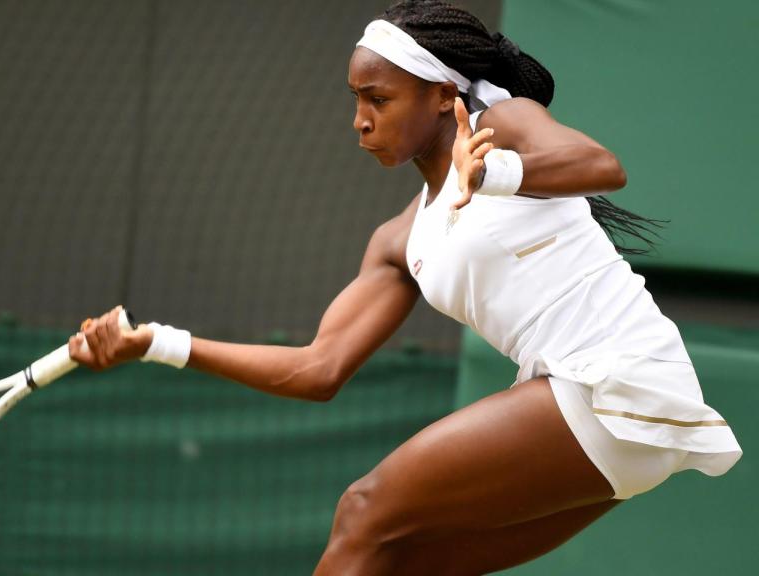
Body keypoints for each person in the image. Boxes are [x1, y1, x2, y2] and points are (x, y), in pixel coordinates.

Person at [68, 1, 742, 573]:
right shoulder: (399, 242)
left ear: (443, 96)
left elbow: (601, 165)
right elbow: (317, 368)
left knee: (363, 508)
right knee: (401, 560)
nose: (360, 119)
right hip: (606, 426)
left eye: (379, 98)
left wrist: (498, 175)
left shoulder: (500, 126)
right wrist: (156, 343)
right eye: (357, 99)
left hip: (614, 379)